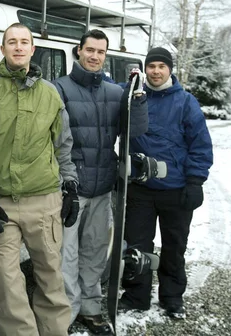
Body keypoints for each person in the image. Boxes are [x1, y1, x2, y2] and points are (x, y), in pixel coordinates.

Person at [0, 23, 79, 336]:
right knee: (7, 281)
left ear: (33, 49)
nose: (18, 47)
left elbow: (64, 146)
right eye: (11, 42)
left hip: (44, 202)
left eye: (24, 42)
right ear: (3, 49)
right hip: (3, 204)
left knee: (50, 277)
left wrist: (70, 187)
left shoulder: (51, 94)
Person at [53, 29, 148, 334]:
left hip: (103, 187)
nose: (95, 56)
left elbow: (135, 129)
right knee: (66, 255)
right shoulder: (60, 89)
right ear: (77, 51)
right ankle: (66, 312)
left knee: (94, 252)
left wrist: (138, 97)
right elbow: (53, 140)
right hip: (71, 189)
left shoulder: (114, 92)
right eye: (90, 50)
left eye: (101, 52)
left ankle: (91, 307)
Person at [119, 47, 213, 319]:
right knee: (136, 246)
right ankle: (136, 295)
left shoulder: (185, 102)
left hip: (176, 190)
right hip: (140, 188)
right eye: (152, 66)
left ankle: (172, 297)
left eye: (162, 66)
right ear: (145, 69)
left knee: (174, 247)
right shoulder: (133, 98)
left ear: (170, 69)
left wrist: (195, 181)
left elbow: (200, 145)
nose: (156, 71)